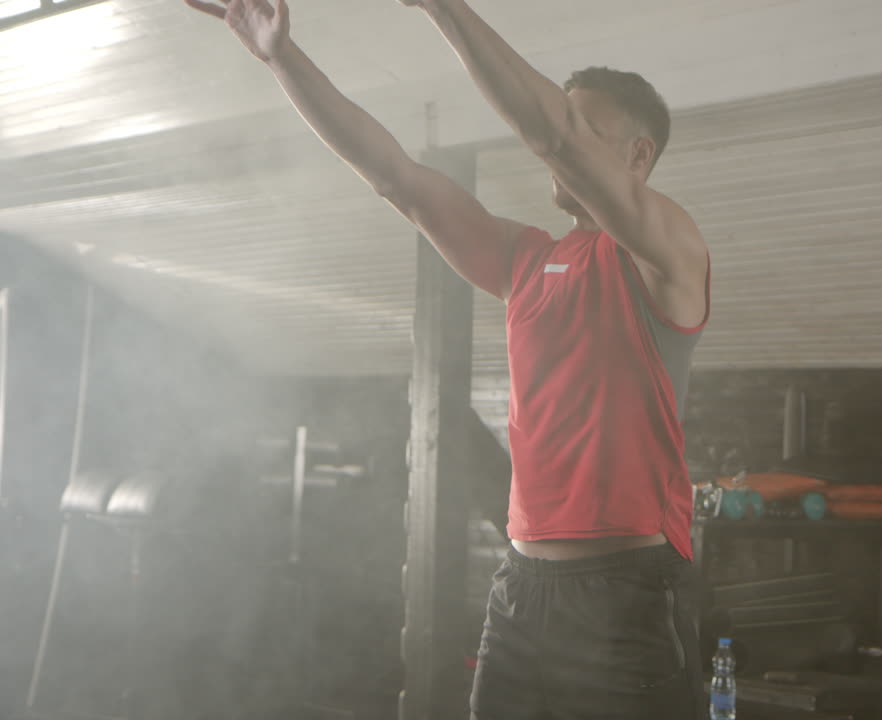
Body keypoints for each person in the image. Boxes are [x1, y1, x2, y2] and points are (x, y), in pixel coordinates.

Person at [185, 1, 711, 717]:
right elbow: (397, 178)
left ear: (637, 156)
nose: (558, 140)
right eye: (568, 120)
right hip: (522, 594)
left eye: (585, 125)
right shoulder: (528, 260)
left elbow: (549, 133)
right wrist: (281, 55)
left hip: (626, 597)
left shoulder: (667, 252)